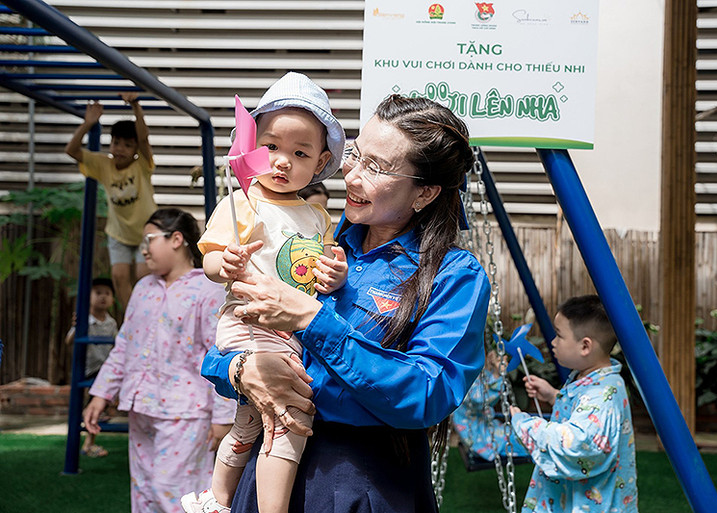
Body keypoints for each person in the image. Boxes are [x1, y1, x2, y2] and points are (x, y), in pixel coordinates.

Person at [200, 94, 492, 513]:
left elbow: (428, 392)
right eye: (355, 155)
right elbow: (226, 345)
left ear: (424, 193)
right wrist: (241, 371)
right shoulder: (321, 246)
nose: (351, 176)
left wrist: (311, 319)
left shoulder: (454, 274)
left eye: (376, 167)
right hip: (267, 469)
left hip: (360, 482)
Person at [183, 72, 347, 513]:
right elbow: (210, 260)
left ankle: (216, 499)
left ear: (320, 162)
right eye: (271, 147)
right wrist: (226, 263)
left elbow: (323, 270)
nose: (282, 162)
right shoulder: (242, 202)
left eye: (300, 153)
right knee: (290, 415)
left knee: (250, 422)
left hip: (291, 329)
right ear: (250, 147)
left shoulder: (317, 216)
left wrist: (334, 275)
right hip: (250, 321)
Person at [82, 208, 235, 513]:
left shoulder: (207, 289)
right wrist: (100, 395)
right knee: (143, 491)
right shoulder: (143, 288)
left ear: (176, 239)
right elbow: (124, 346)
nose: (143, 249)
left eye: (149, 239)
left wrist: (223, 418)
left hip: (186, 413)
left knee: (176, 494)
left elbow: (221, 354)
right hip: (141, 408)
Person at [510, 295, 638, 512]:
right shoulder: (589, 378)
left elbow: (578, 443)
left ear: (585, 346)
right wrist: (553, 396)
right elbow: (584, 412)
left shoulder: (603, 393)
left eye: (559, 335)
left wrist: (525, 424)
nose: (553, 342)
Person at [65, 92, 157, 311]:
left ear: (136, 150)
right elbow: (71, 151)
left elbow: (144, 139)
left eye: (127, 145)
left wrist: (136, 106)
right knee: (118, 275)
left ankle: (148, 314)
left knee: (144, 275)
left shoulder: (142, 165)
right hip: (118, 232)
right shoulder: (104, 165)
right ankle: (131, 317)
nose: (120, 149)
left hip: (145, 230)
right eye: (116, 143)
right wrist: (88, 123)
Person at [64, 277, 118, 458]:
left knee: (96, 406)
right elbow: (68, 341)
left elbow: (117, 345)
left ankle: (89, 442)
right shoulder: (84, 320)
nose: (103, 297)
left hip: (105, 368)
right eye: (98, 293)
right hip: (88, 369)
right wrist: (76, 327)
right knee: (92, 405)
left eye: (107, 293)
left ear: (112, 299)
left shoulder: (111, 323)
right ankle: (88, 442)